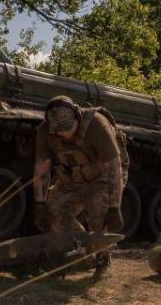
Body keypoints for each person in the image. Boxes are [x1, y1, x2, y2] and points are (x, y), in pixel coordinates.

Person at [33, 95, 128, 276]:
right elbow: (42, 168)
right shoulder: (46, 131)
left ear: (77, 116)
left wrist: (115, 207)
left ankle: (102, 259)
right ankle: (82, 254)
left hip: (104, 176)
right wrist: (39, 203)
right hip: (73, 179)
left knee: (99, 211)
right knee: (52, 210)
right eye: (59, 129)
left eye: (67, 128)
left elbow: (115, 168)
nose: (63, 133)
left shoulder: (97, 125)